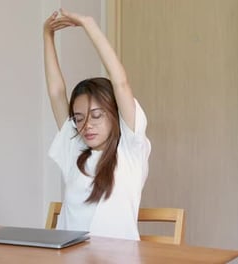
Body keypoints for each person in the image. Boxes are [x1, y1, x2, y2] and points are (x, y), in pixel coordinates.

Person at [44, 8, 151, 240]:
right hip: (68, 257)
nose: (86, 126)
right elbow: (56, 92)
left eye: (96, 115)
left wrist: (88, 24)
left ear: (114, 113)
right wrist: (47, 35)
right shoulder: (75, 149)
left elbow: (120, 83)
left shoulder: (130, 149)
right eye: (79, 118)